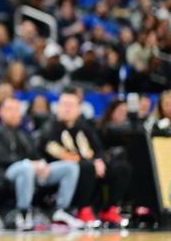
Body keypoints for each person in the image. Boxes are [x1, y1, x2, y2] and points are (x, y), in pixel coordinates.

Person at [0, 97, 83, 230]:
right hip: (6, 172)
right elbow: (1, 158)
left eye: (17, 110)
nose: (14, 113)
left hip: (32, 170)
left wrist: (42, 164)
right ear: (0, 112)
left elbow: (35, 155)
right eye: (10, 109)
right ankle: (23, 213)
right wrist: (30, 163)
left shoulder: (23, 133)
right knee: (26, 168)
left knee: (70, 167)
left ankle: (61, 211)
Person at [40, 87, 131, 227]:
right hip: (64, 171)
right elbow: (60, 155)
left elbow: (99, 149)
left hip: (90, 166)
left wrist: (100, 161)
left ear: (79, 108)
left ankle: (109, 208)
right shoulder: (49, 129)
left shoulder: (84, 128)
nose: (67, 109)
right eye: (64, 105)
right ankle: (83, 209)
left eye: (71, 105)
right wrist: (92, 163)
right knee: (86, 167)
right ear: (57, 107)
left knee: (121, 167)